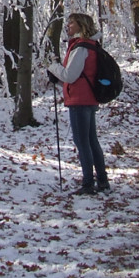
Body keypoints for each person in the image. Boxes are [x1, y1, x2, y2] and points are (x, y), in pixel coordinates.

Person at [48, 13, 110, 196]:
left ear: (81, 26)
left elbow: (70, 76)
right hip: (88, 98)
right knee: (91, 141)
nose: (68, 26)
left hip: (80, 101)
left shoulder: (80, 48)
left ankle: (88, 183)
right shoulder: (90, 46)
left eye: (72, 23)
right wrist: (58, 80)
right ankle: (102, 181)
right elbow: (79, 78)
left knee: (82, 142)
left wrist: (52, 67)